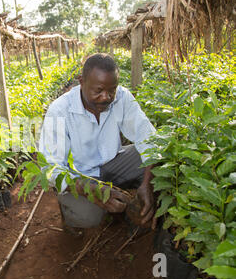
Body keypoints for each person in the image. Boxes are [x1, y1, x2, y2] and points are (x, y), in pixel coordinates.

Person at [38, 53, 157, 235]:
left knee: (157, 165)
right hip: (80, 176)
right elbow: (50, 168)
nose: (106, 97)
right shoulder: (59, 110)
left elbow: (148, 137)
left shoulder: (122, 98)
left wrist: (147, 183)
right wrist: (88, 189)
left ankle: (129, 215)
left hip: (112, 162)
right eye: (98, 90)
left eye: (112, 90)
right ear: (81, 81)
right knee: (89, 217)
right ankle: (69, 213)